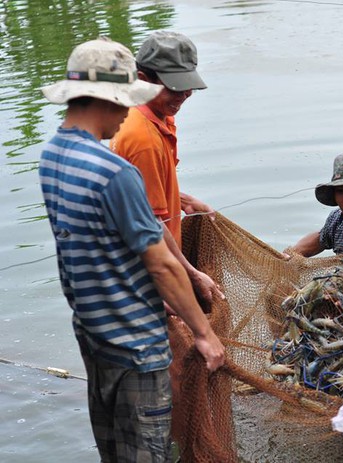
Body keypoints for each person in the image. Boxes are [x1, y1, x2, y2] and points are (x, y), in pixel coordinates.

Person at [38, 37, 225, 462]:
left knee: (114, 450)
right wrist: (204, 334)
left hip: (93, 333)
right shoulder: (115, 172)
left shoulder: (52, 157)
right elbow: (160, 264)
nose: (126, 113)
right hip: (137, 344)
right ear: (111, 97)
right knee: (147, 453)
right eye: (125, 101)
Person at [110, 30, 222, 307]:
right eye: (175, 86)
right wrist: (192, 273)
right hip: (146, 270)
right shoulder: (142, 137)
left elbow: (142, 190)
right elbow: (150, 224)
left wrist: (183, 199)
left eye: (188, 85)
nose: (185, 94)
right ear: (143, 80)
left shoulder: (159, 115)